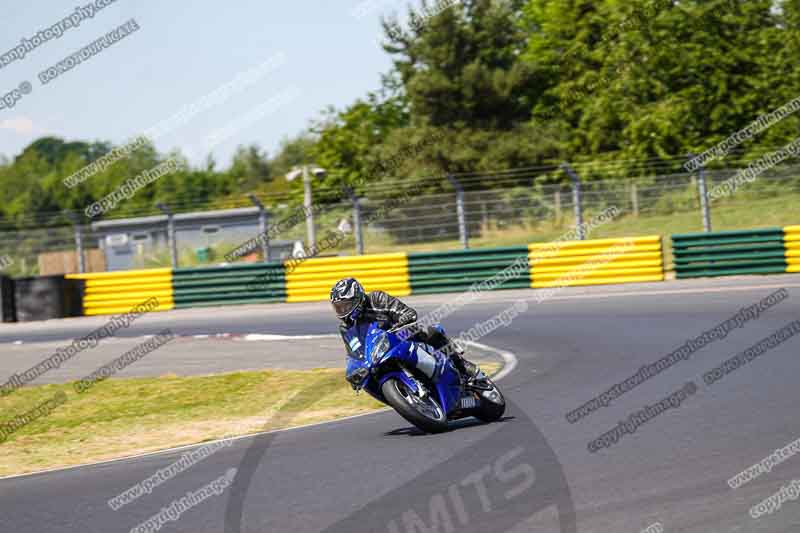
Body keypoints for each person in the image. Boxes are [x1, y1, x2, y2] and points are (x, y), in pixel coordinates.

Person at [330, 277, 481, 383]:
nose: (343, 311)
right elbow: (353, 352)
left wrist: (399, 324)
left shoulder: (377, 298)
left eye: (346, 305)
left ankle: (461, 365)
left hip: (400, 335)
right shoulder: (346, 328)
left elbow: (408, 313)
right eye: (339, 307)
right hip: (377, 353)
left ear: (358, 298)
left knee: (430, 331)